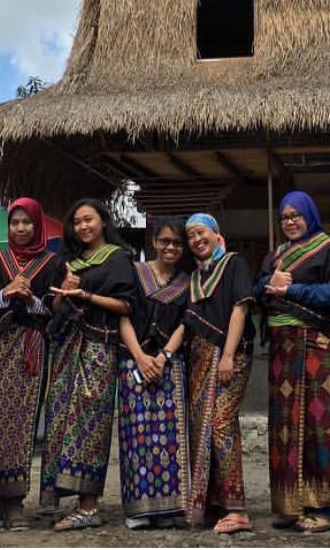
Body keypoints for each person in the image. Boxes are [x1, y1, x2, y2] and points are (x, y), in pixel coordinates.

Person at [254, 190, 330, 533]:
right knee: (285, 428)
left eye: (296, 215)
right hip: (282, 353)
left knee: (323, 426)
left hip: (319, 348)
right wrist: (268, 283)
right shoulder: (276, 255)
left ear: (310, 215)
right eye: (284, 218)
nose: (290, 222)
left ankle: (327, 508)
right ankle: (291, 504)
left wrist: (292, 290)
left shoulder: (329, 249)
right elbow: (258, 292)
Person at [0, 197, 63, 533]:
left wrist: (29, 298)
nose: (21, 228)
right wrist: (6, 293)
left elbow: (53, 311)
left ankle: (16, 502)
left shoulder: (52, 264)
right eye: (15, 223)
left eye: (27, 222)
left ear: (38, 225)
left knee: (22, 425)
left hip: (29, 351)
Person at [39, 198, 136, 531]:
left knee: (90, 422)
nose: (82, 226)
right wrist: (65, 292)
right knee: (61, 420)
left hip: (98, 348)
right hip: (66, 347)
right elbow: (54, 306)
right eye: (77, 221)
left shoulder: (119, 259)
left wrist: (87, 296)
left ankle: (89, 506)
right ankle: (71, 499)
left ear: (103, 221)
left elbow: (126, 306)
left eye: (88, 220)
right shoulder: (68, 261)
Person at [183, 213, 255, 535]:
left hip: (230, 355)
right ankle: (214, 501)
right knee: (202, 427)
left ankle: (237, 509)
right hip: (199, 357)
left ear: (216, 234)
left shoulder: (233, 264)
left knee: (222, 423)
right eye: (190, 236)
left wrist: (227, 354)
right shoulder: (195, 276)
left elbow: (240, 308)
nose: (196, 240)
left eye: (201, 233)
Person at [116, 216, 190, 529]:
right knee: (137, 436)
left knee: (170, 437)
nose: (170, 247)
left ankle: (169, 508)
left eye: (177, 243)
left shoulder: (188, 282)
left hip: (168, 366)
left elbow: (187, 322)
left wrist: (163, 356)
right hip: (134, 361)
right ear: (154, 242)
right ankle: (139, 509)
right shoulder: (135, 273)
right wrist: (140, 357)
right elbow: (123, 316)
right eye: (165, 241)